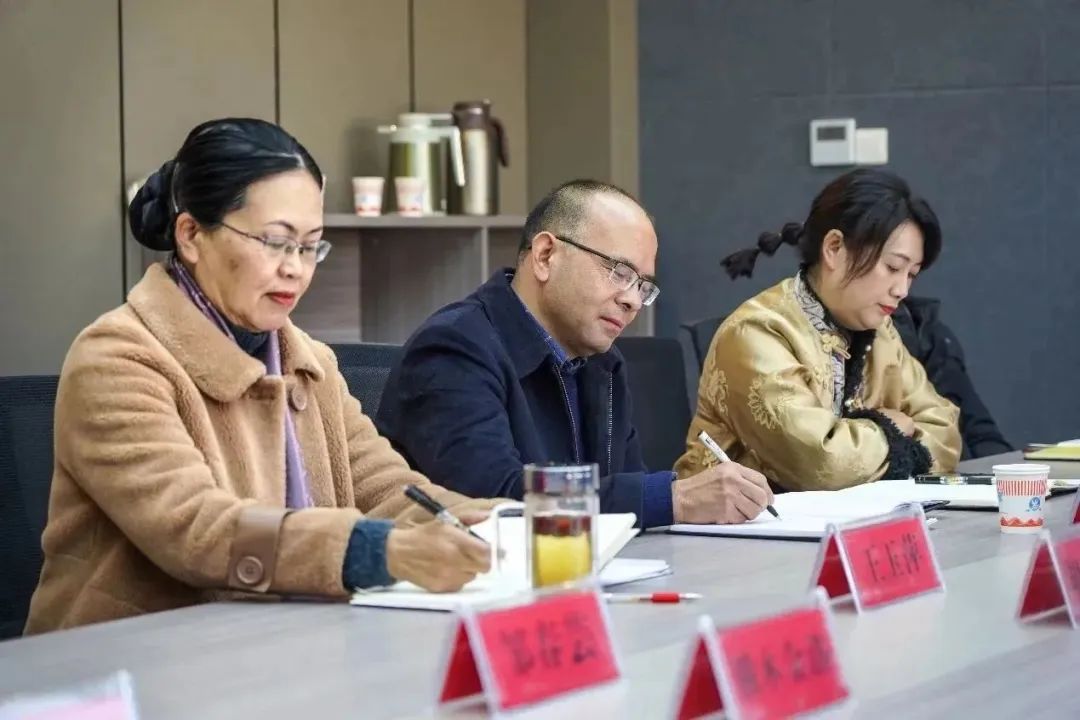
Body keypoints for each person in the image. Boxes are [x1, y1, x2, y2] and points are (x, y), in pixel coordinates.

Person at [26, 118, 494, 634]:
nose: (296, 268)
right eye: (275, 241)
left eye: (311, 245)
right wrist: (379, 551)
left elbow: (389, 489)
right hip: (131, 658)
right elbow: (196, 529)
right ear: (191, 236)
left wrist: (497, 522)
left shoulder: (310, 362)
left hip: (283, 642)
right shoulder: (115, 358)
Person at [376, 180, 773, 529]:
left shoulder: (602, 363)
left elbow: (620, 492)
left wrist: (662, 502)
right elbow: (495, 504)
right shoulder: (454, 348)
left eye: (643, 286)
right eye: (619, 272)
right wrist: (673, 499)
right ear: (546, 255)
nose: (633, 301)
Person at [674, 169, 961, 490]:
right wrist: (890, 427)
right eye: (893, 267)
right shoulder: (757, 332)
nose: (902, 290)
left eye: (911, 274)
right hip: (741, 519)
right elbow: (821, 464)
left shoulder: (880, 332)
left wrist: (862, 440)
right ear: (834, 248)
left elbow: (945, 432)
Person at [892, 296, 1013, 459]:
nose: (900, 290)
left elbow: (980, 431)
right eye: (892, 269)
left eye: (909, 279)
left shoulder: (923, 326)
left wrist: (1003, 469)